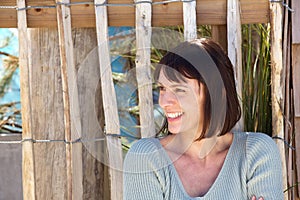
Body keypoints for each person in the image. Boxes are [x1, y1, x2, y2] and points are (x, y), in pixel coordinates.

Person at [123, 38, 284, 200]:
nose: (163, 102)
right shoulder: (146, 158)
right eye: (162, 89)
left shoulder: (257, 152)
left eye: (179, 90)